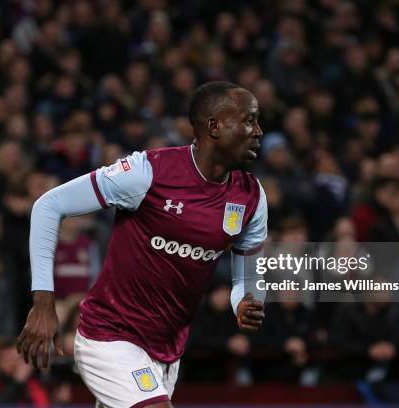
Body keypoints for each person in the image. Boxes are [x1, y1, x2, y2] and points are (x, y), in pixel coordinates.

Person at [17, 81, 268, 408]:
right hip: (109, 336)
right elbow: (48, 206)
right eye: (249, 120)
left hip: (167, 352)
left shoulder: (251, 197)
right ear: (214, 126)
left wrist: (244, 304)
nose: (259, 131)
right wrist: (43, 302)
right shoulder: (147, 172)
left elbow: (247, 280)